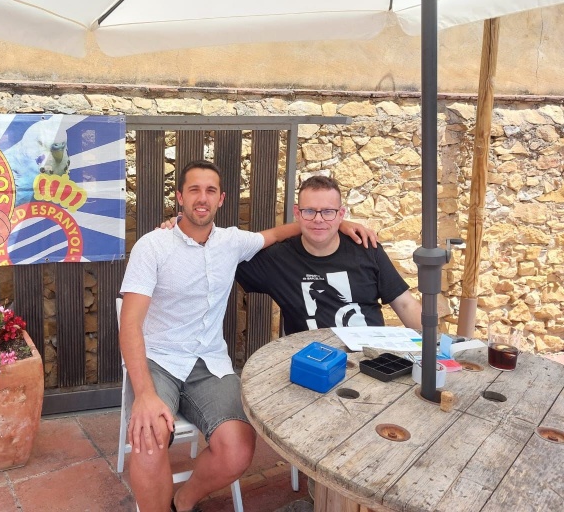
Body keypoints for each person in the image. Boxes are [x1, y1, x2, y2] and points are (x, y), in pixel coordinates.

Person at [120, 161, 372, 512]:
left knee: (238, 447)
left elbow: (279, 233)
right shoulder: (153, 246)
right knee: (149, 437)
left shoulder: (232, 241)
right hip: (158, 359)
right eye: (194, 190)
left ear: (221, 199)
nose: (202, 198)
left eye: (210, 190)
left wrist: (336, 223)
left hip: (209, 363)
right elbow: (130, 324)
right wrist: (145, 395)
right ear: (180, 197)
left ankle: (182, 502)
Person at [236, 175, 422, 335]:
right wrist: (328, 223)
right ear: (297, 213)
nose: (318, 219)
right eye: (309, 211)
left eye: (328, 212)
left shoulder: (366, 249)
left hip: (368, 356)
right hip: (312, 359)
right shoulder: (277, 259)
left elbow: (405, 304)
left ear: (341, 214)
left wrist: (433, 348)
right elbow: (228, 253)